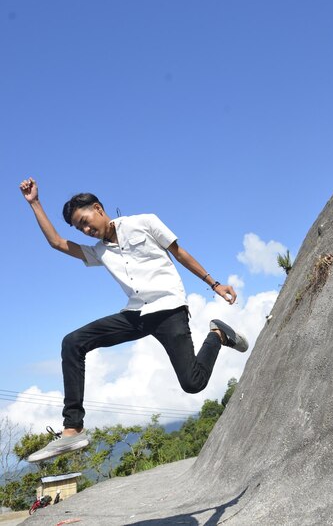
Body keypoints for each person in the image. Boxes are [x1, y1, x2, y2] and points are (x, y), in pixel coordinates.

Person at [19, 177, 248, 462]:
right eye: (80, 228)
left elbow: (180, 254)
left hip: (169, 309)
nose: (86, 230)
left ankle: (217, 335)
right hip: (136, 314)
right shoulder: (98, 252)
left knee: (193, 383)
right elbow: (56, 242)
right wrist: (35, 203)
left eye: (86, 221)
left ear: (99, 208)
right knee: (73, 342)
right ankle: (73, 427)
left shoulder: (144, 222)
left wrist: (214, 284)